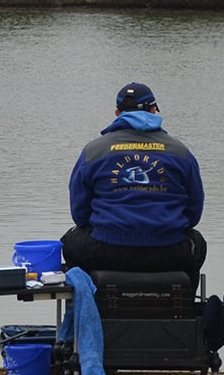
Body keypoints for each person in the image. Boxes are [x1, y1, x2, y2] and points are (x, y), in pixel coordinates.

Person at [62, 80, 207, 280]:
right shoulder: (180, 152)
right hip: (169, 252)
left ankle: (90, 304)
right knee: (197, 243)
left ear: (117, 113)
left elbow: (80, 215)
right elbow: (193, 214)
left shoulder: (93, 151)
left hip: (107, 251)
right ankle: (184, 306)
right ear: (154, 110)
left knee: (70, 242)